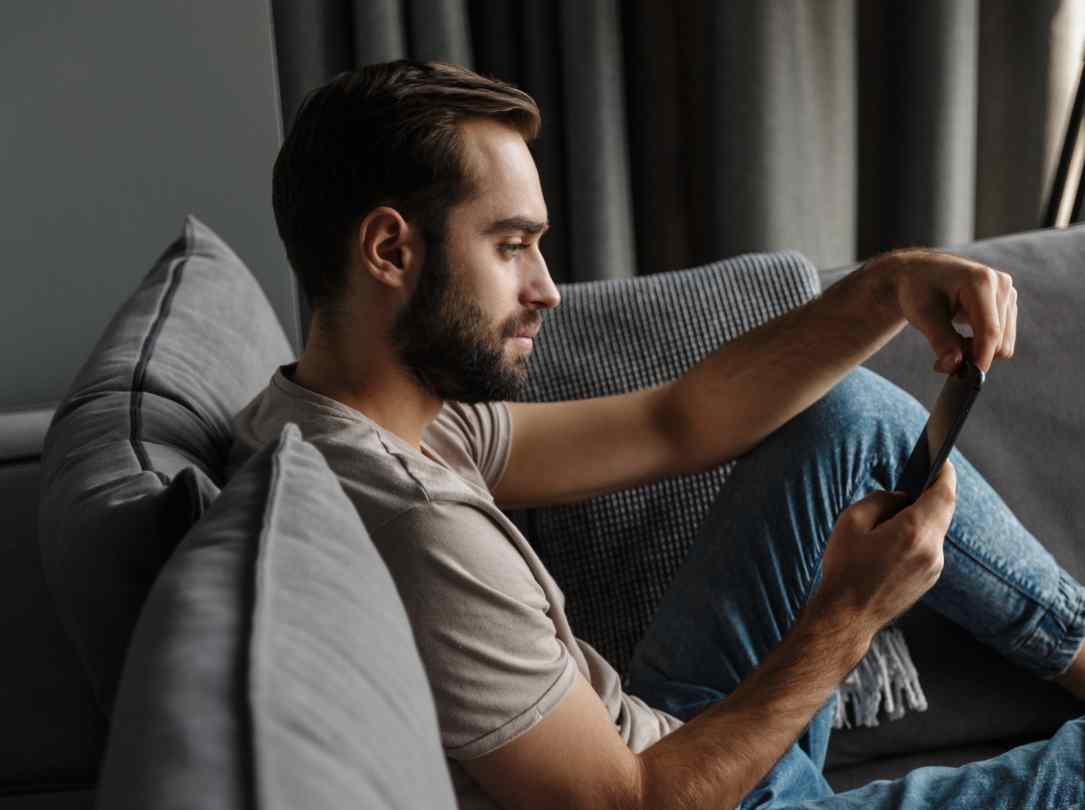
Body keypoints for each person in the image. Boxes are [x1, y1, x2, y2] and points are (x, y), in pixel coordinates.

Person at [228, 60, 1085, 809]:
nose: (546, 288)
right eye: (510, 245)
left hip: (670, 740)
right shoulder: (410, 524)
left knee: (848, 417)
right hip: (688, 792)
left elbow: (675, 423)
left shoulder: (342, 418)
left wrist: (885, 287)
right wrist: (851, 612)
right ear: (389, 249)